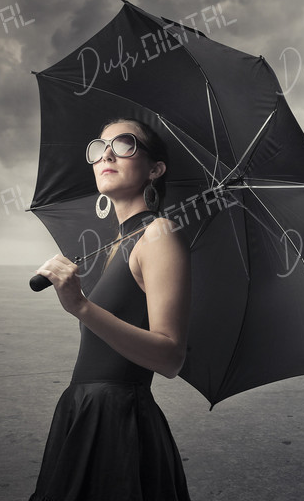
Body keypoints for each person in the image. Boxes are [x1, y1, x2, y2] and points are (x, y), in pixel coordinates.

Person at [29, 118, 192, 501]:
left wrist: (81, 306)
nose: (106, 153)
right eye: (100, 147)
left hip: (118, 423)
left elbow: (170, 357)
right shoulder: (116, 243)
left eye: (124, 144)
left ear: (155, 169)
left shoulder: (159, 235)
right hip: (82, 411)